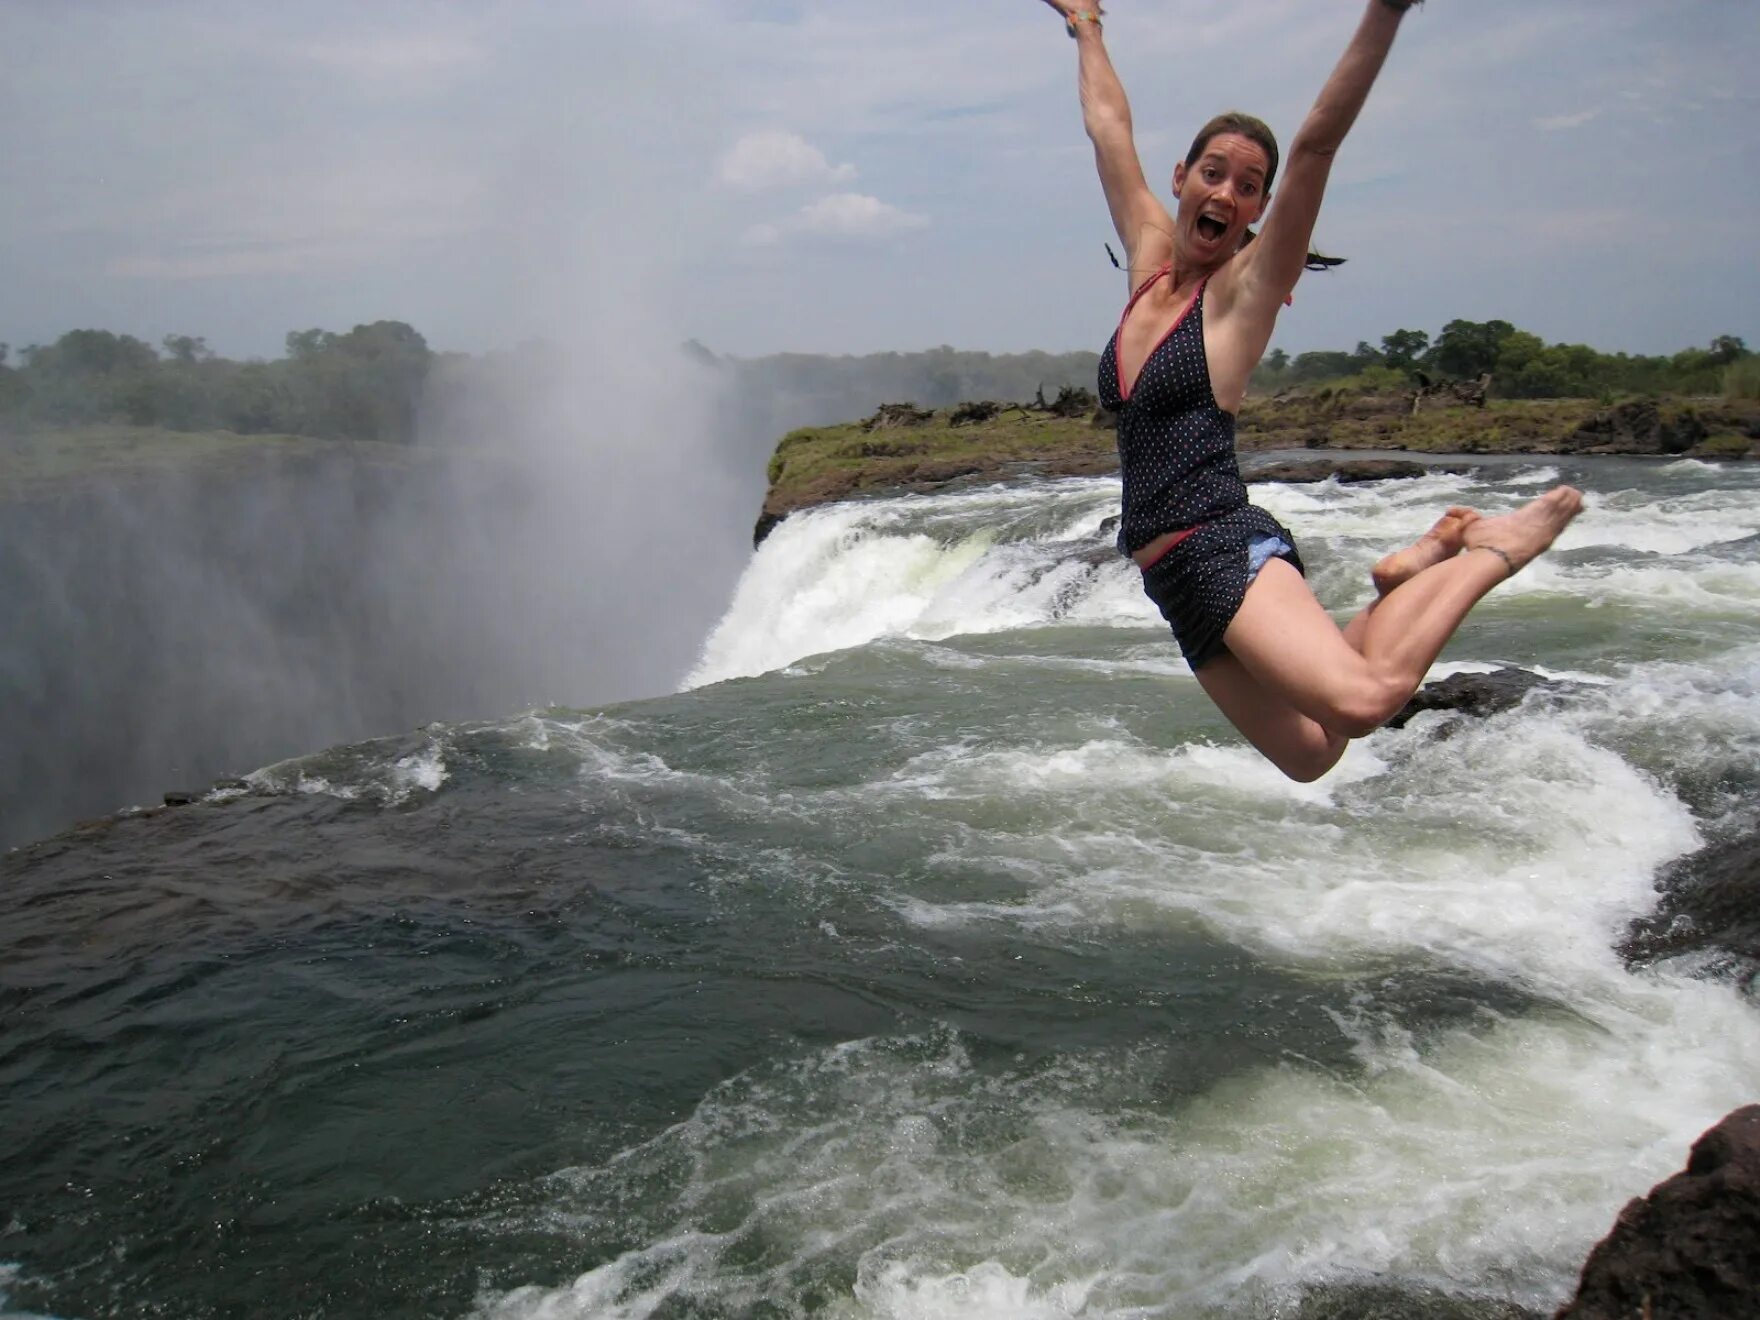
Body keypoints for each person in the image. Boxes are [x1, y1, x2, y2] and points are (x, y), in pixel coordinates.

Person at [1041, 0, 1584, 781]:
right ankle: (1405, 578)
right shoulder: (1149, 262)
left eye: (1250, 186)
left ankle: (1497, 548)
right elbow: (1107, 129)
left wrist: (1386, 13)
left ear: (1260, 208)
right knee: (1311, 752)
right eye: (1214, 173)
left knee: (1363, 703)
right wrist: (1086, 23)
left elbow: (1318, 143)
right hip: (1169, 577)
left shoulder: (1239, 296)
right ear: (1181, 180)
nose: (1227, 193)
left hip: (1217, 541)